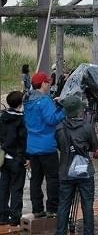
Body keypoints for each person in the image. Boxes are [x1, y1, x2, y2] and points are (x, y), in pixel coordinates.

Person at [23, 71, 65, 218]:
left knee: (36, 179)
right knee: (52, 178)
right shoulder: (45, 100)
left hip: (32, 146)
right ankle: (53, 208)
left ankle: (37, 209)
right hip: (47, 146)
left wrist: (53, 104)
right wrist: (63, 109)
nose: (49, 84)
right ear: (43, 84)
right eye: (48, 82)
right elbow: (52, 119)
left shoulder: (27, 100)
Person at [55, 96, 98, 235]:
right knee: (87, 205)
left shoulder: (59, 128)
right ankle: (88, 232)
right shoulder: (87, 126)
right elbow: (94, 147)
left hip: (66, 171)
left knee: (63, 205)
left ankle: (60, 232)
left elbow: (59, 146)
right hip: (84, 171)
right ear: (79, 110)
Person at [0, 91, 27, 226]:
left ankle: (2, 216)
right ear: (20, 103)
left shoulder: (3, 117)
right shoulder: (21, 120)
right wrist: (25, 158)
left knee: (3, 187)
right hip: (17, 158)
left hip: (4, 158)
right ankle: (15, 218)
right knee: (16, 188)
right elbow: (23, 141)